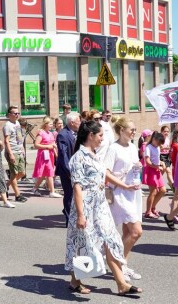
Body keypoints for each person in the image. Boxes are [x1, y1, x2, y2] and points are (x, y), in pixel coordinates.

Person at [65, 120, 142, 296]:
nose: (102, 139)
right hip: (84, 206)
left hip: (100, 205)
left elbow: (105, 173)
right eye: (100, 135)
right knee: (83, 243)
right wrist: (81, 215)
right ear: (90, 136)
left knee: (112, 240)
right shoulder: (78, 158)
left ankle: (121, 284)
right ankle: (75, 281)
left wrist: (124, 186)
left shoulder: (95, 154)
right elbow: (77, 187)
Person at [104, 116, 143, 282]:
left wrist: (138, 167)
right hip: (120, 192)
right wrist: (123, 184)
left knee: (128, 232)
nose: (134, 132)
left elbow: (133, 166)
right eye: (131, 129)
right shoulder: (113, 148)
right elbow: (106, 172)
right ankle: (118, 262)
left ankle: (121, 265)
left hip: (134, 192)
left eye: (134, 129)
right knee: (136, 232)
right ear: (121, 130)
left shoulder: (133, 147)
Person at [56, 112, 80, 227]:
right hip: (67, 171)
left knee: (78, 194)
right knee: (69, 194)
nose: (80, 123)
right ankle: (69, 218)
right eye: (78, 121)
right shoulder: (63, 135)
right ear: (72, 122)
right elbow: (63, 155)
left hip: (78, 168)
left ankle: (74, 214)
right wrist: (69, 171)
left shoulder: (78, 133)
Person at [31, 116, 61, 198]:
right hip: (43, 155)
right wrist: (47, 146)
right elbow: (36, 145)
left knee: (45, 174)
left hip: (50, 155)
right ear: (45, 124)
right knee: (50, 172)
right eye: (50, 124)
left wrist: (56, 154)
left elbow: (53, 144)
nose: (52, 126)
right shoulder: (41, 133)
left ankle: (35, 188)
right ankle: (52, 191)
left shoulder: (50, 133)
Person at [3, 106, 28, 202]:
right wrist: (10, 154)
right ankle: (18, 195)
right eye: (15, 113)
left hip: (19, 150)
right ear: (9, 115)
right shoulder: (7, 125)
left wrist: (22, 148)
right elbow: (6, 141)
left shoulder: (17, 123)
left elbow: (19, 137)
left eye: (18, 113)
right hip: (12, 151)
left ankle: (6, 186)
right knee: (14, 174)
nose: (17, 115)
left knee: (22, 173)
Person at [143, 131, 167, 219]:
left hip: (156, 170)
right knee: (153, 192)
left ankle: (152, 207)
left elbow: (156, 159)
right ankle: (148, 211)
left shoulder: (157, 147)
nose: (159, 145)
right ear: (154, 139)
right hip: (151, 170)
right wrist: (157, 166)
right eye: (158, 142)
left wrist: (161, 163)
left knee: (163, 190)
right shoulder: (148, 147)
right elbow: (148, 162)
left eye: (160, 143)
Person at [159, 126, 174, 190]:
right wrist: (166, 147)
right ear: (161, 131)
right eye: (165, 131)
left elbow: (171, 147)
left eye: (167, 131)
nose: (166, 133)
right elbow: (159, 148)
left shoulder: (168, 139)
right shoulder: (160, 139)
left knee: (161, 172)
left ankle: (157, 184)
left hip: (167, 156)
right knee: (168, 171)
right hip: (161, 156)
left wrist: (169, 149)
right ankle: (173, 186)